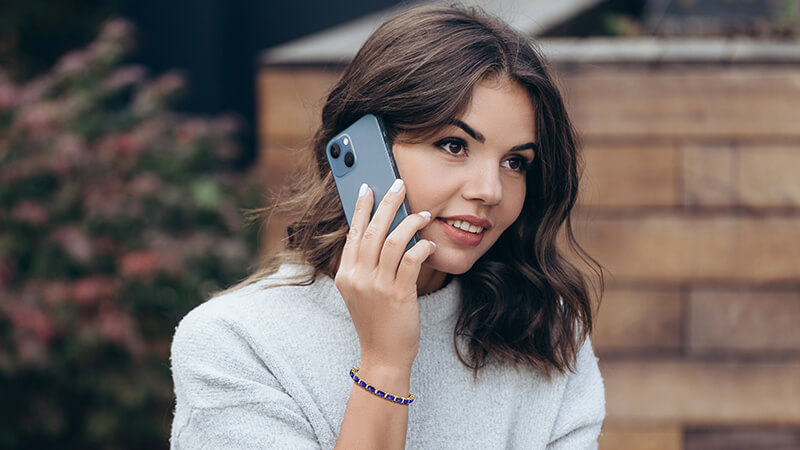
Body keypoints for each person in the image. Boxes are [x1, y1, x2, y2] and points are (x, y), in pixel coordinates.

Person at [170, 5, 605, 449]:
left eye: (516, 162)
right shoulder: (236, 344)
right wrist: (384, 364)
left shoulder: (547, 331)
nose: (491, 190)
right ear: (362, 145)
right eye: (453, 145)